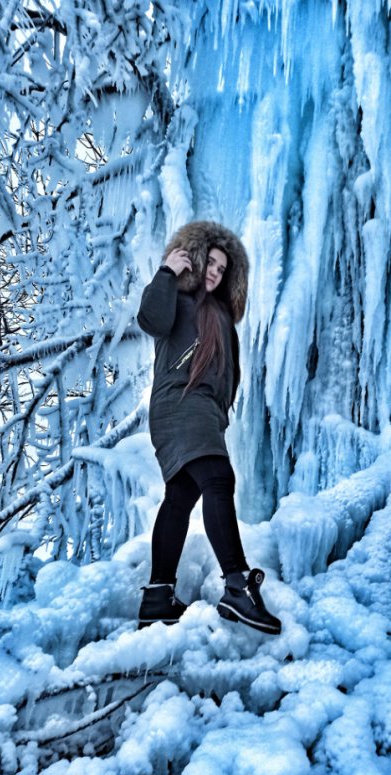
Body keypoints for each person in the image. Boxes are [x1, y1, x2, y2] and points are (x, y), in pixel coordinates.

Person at [136, 220, 281, 635]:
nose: (216, 271)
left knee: (181, 495)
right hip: (180, 403)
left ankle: (157, 597)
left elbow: (226, 378)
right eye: (210, 262)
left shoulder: (221, 319)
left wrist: (220, 413)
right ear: (196, 261)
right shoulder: (178, 300)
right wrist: (167, 271)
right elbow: (150, 319)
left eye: (223, 267)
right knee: (217, 479)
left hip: (199, 412)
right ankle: (237, 586)